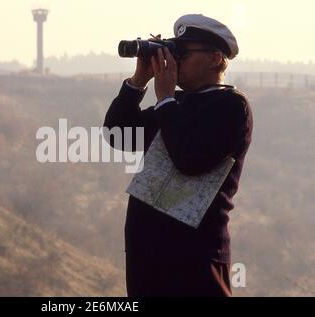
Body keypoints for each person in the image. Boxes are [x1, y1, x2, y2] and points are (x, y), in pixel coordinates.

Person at [103, 14, 253, 297]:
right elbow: (118, 134)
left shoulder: (232, 107)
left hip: (193, 258)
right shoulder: (176, 103)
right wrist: (139, 80)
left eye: (183, 53)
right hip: (146, 254)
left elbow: (190, 160)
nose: (175, 61)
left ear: (215, 58)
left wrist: (166, 99)